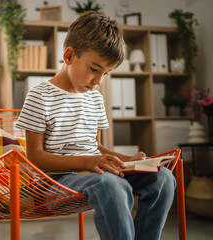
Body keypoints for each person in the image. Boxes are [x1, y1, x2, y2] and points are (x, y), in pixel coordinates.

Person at [15, 12, 175, 240]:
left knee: (164, 179)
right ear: (69, 55)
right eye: (94, 69)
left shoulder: (95, 98)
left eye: (106, 73)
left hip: (93, 173)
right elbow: (35, 157)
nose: (99, 81)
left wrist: (128, 161)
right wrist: (88, 162)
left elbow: (95, 147)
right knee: (111, 184)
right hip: (55, 183)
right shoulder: (39, 96)